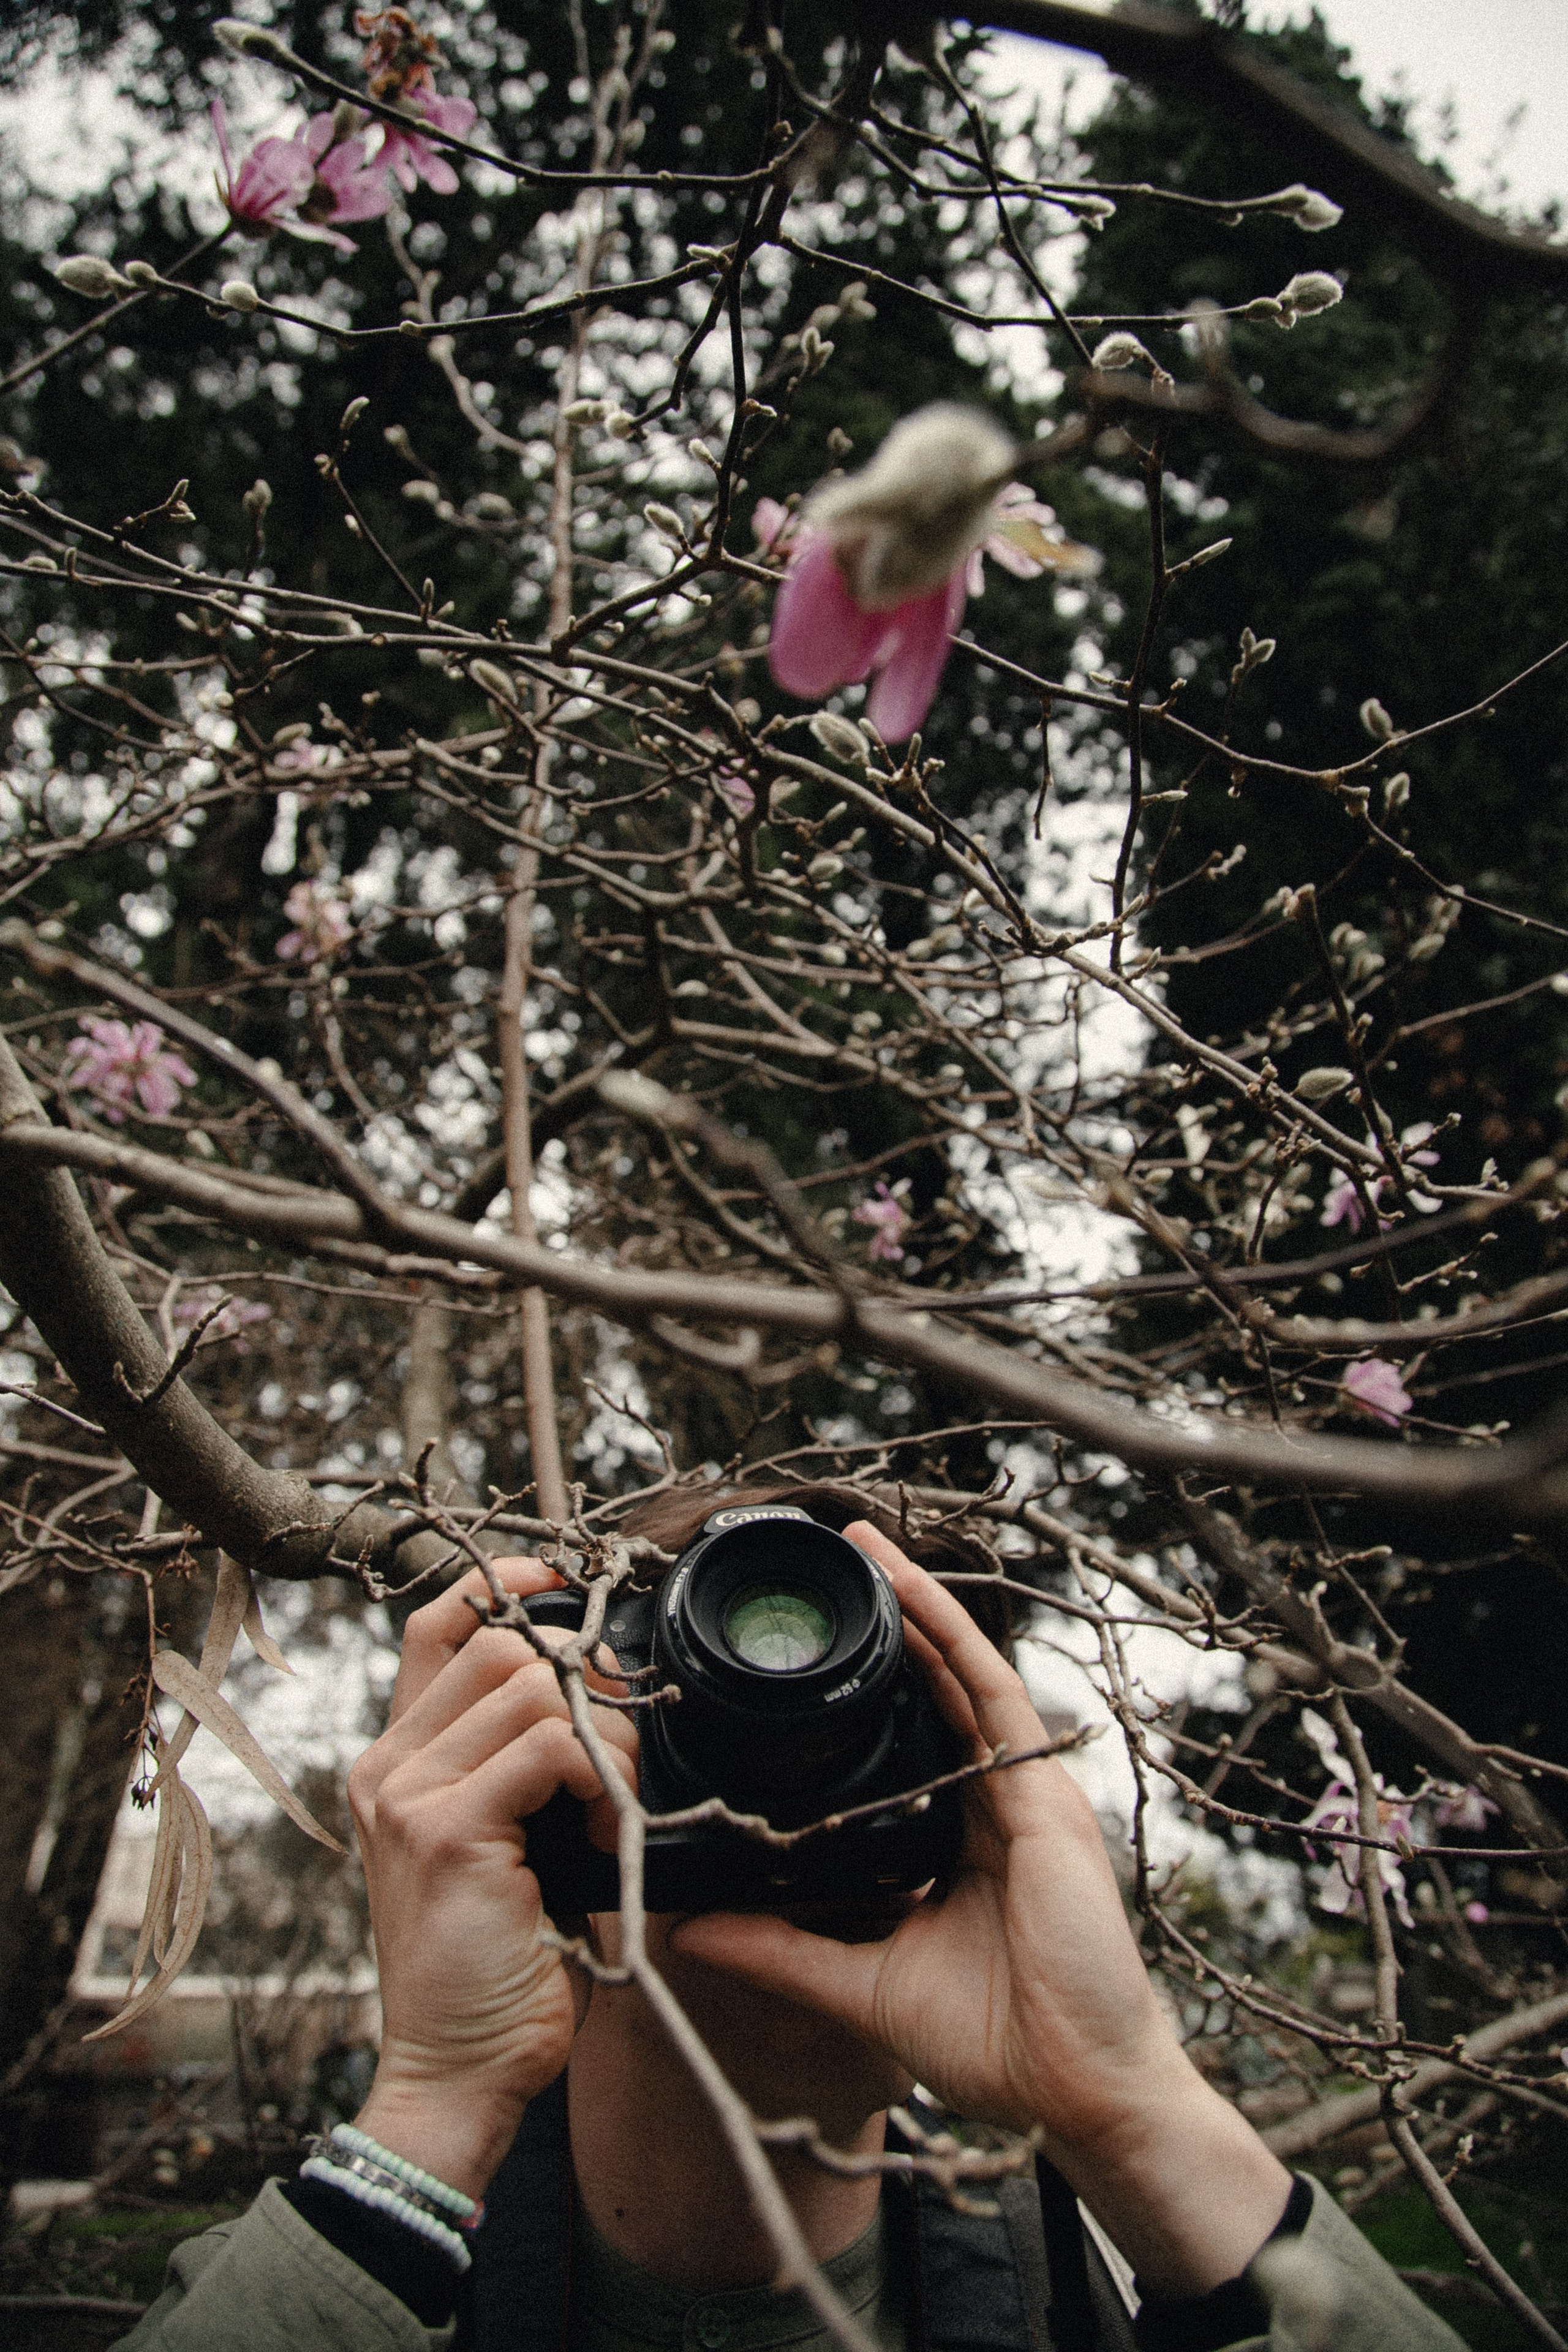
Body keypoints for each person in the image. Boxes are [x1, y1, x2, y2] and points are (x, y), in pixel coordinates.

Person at [117, 1488, 1461, 2352]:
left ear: (983, 1796)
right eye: (719, 1687)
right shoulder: (345, 2279)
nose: (805, 1783)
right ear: (555, 1766)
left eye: (899, 1727)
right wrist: (429, 2111)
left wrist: (1129, 2107)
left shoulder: (1106, 2286)